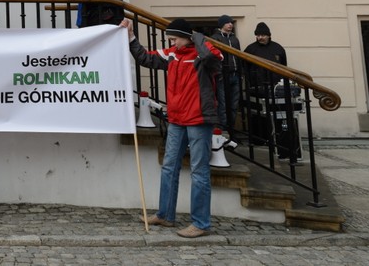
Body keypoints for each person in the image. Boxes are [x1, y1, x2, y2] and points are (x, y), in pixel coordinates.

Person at [121, 17, 222, 239]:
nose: (172, 43)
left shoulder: (204, 51)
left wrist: (197, 38)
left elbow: (213, 60)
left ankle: (201, 223)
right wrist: (131, 37)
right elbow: (145, 59)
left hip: (198, 120)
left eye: (175, 38)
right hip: (177, 119)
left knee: (199, 171)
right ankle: (165, 215)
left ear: (187, 37)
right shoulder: (173, 54)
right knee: (169, 167)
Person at [244, 22, 300, 161]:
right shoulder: (250, 49)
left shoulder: (278, 48)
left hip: (276, 89)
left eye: (262, 35)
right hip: (258, 90)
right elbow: (244, 67)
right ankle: (261, 139)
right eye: (258, 35)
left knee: (280, 116)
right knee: (261, 116)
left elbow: (284, 67)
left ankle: (282, 144)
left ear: (269, 35)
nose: (260, 37)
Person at [212, 15, 241, 134]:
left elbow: (239, 56)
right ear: (222, 24)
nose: (230, 24)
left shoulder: (235, 39)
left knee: (234, 104)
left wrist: (241, 73)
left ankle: (231, 129)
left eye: (231, 22)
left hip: (235, 75)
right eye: (227, 22)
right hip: (222, 75)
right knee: (222, 104)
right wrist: (218, 73)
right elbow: (214, 57)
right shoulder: (215, 38)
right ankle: (223, 130)